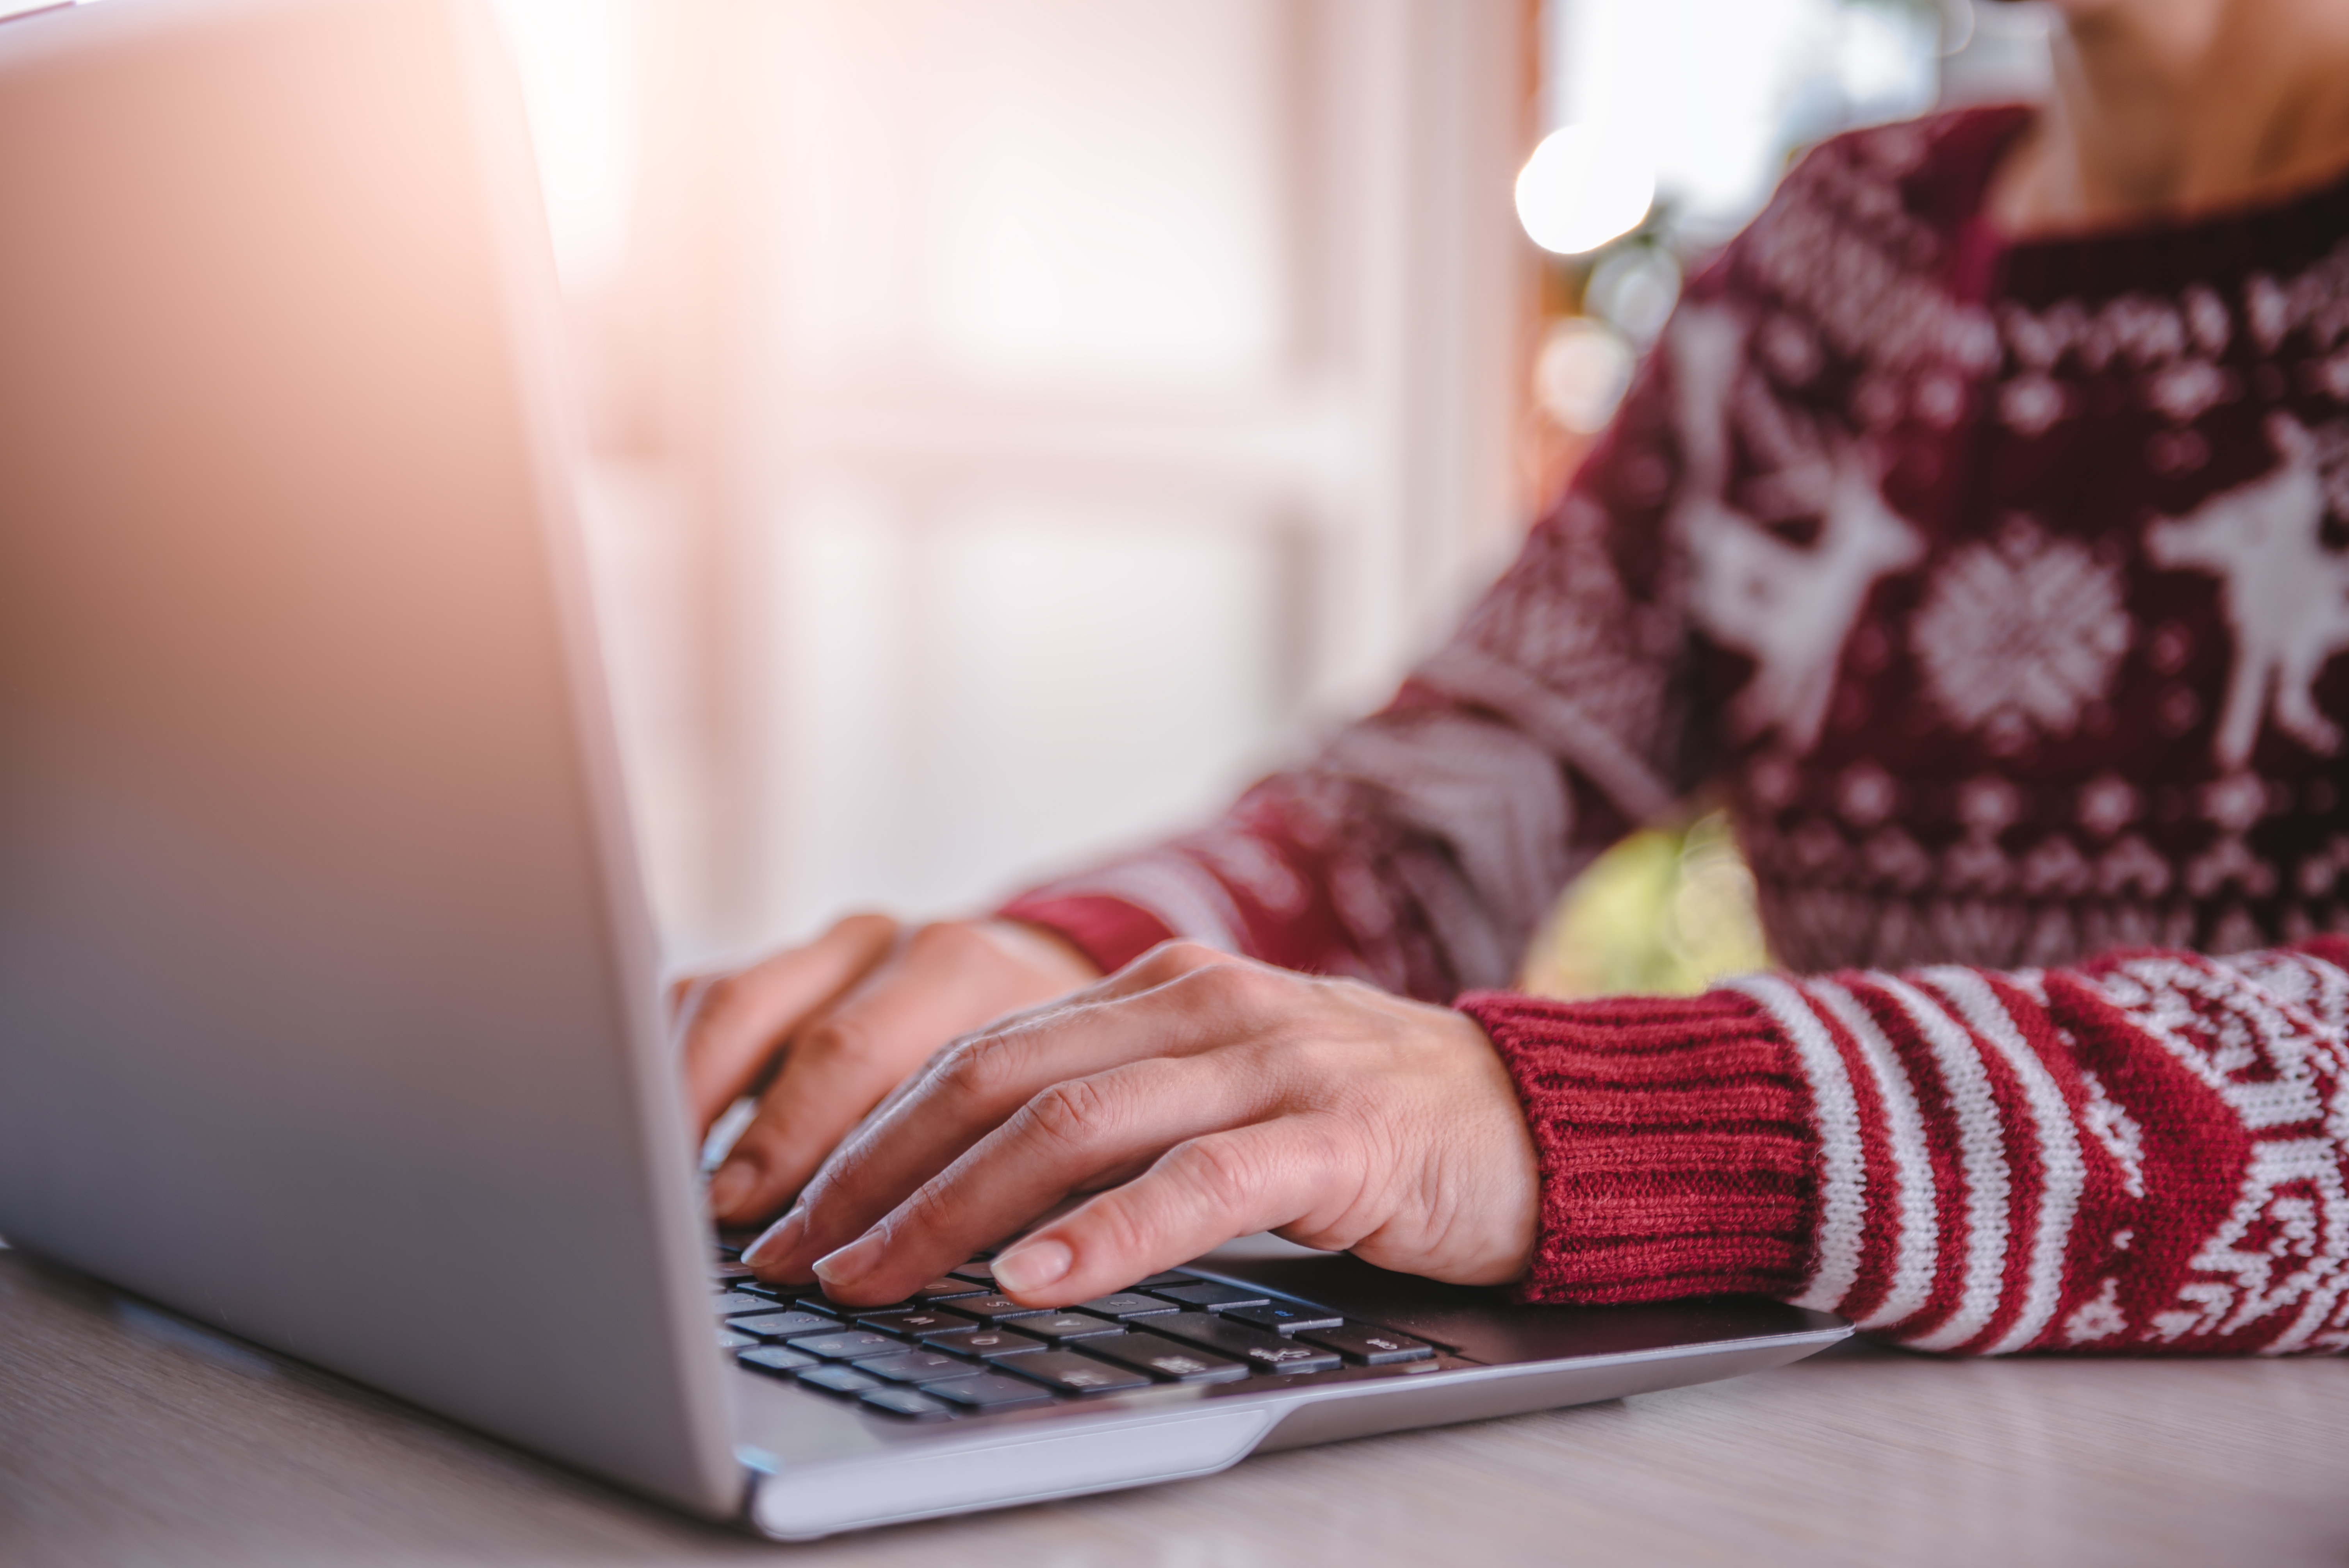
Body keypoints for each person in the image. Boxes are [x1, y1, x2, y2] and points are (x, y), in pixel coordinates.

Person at [681, 0, 2349, 1355]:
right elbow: (1432, 812)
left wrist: (1587, 1120)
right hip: (1886, 1464)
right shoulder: (1840, 261)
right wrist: (1069, 979)